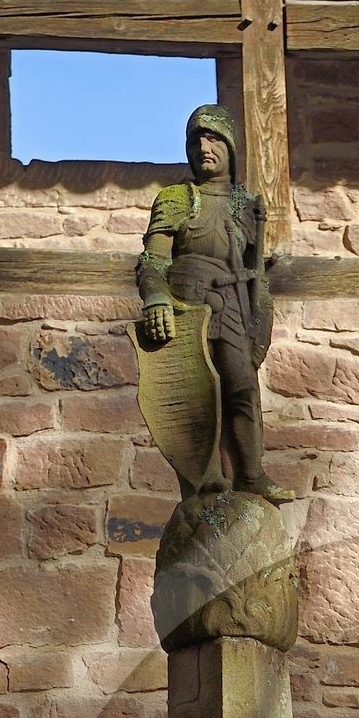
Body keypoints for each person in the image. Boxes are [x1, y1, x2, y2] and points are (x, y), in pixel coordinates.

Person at [135, 104, 292, 504]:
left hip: (234, 304)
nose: (204, 147)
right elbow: (153, 259)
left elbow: (256, 275)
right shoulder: (177, 198)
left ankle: (251, 474)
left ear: (230, 146)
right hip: (188, 302)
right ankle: (205, 479)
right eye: (197, 140)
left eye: (213, 138)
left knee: (242, 387)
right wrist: (156, 297)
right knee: (196, 392)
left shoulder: (246, 206)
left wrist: (259, 319)